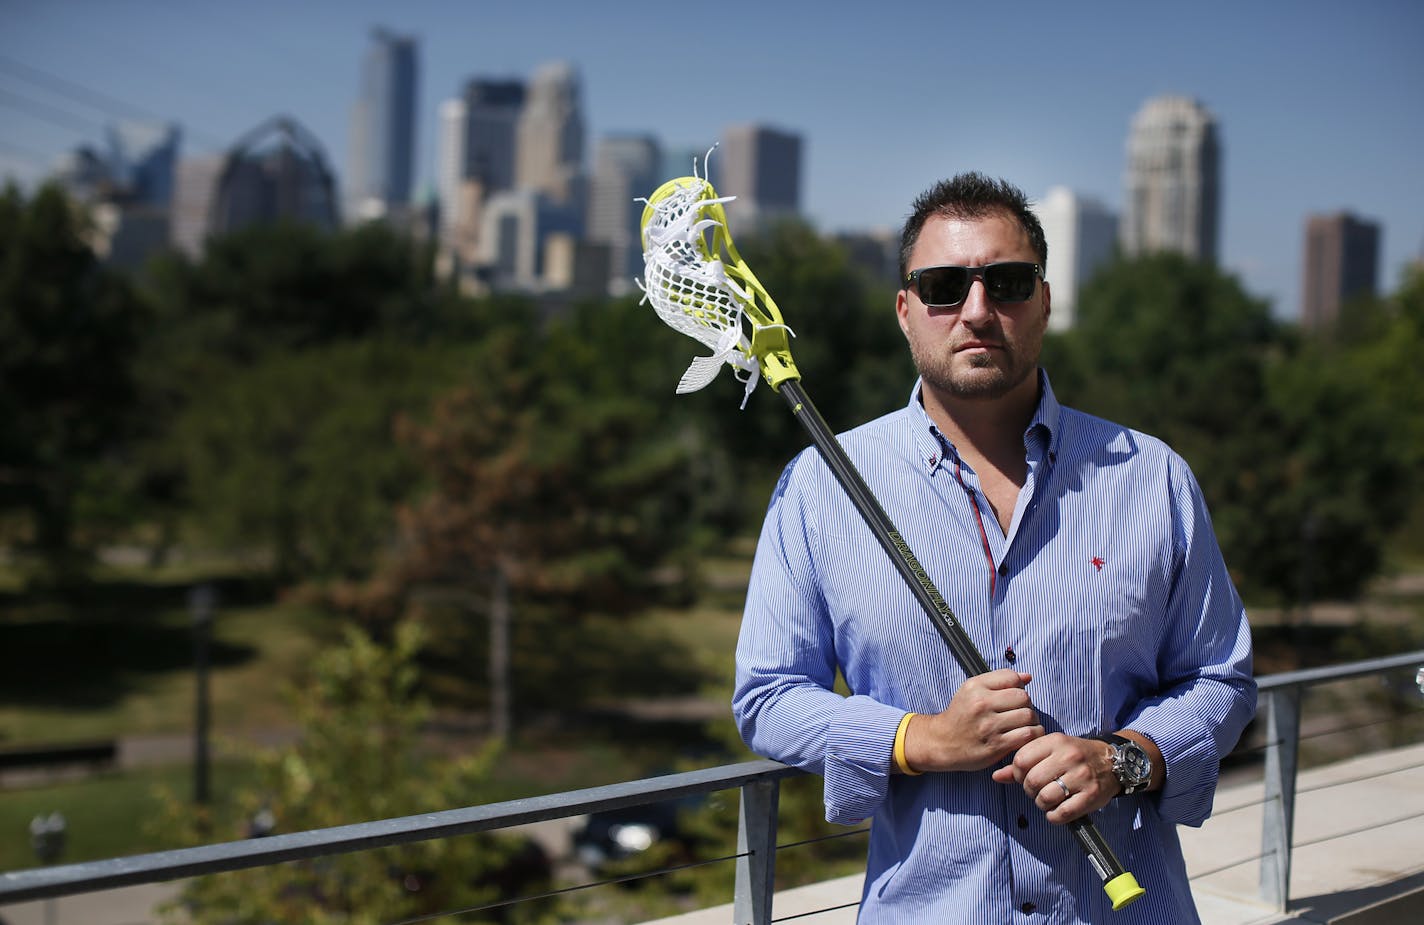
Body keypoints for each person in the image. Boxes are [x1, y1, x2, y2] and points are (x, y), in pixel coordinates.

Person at [731, 172, 1256, 923]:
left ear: (1044, 300)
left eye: (1007, 282)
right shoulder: (820, 488)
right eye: (945, 286)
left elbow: (1221, 680)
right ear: (906, 310)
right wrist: (921, 739)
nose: (977, 310)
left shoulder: (1152, 477)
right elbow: (769, 696)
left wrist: (1123, 757)